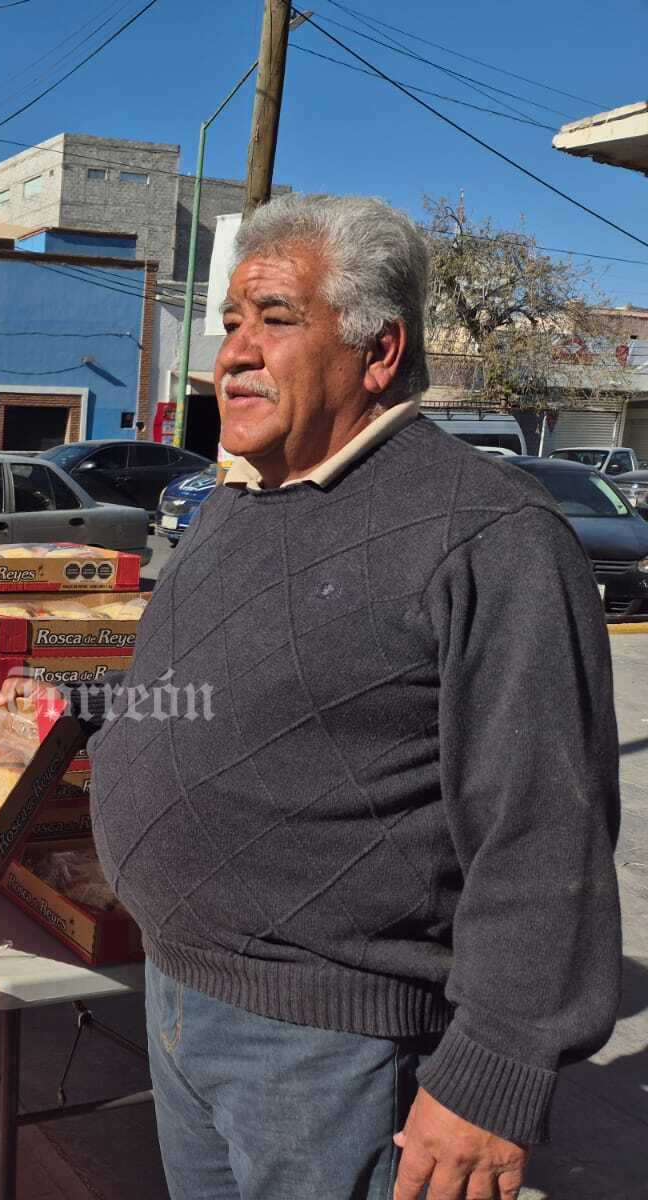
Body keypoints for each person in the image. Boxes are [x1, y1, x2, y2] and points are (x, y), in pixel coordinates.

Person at [89, 195, 620, 1200]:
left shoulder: (486, 532)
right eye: (231, 323)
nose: (233, 354)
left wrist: (491, 1079)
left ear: (378, 354)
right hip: (177, 997)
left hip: (328, 1050)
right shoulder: (238, 498)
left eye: (276, 319)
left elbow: (546, 827)